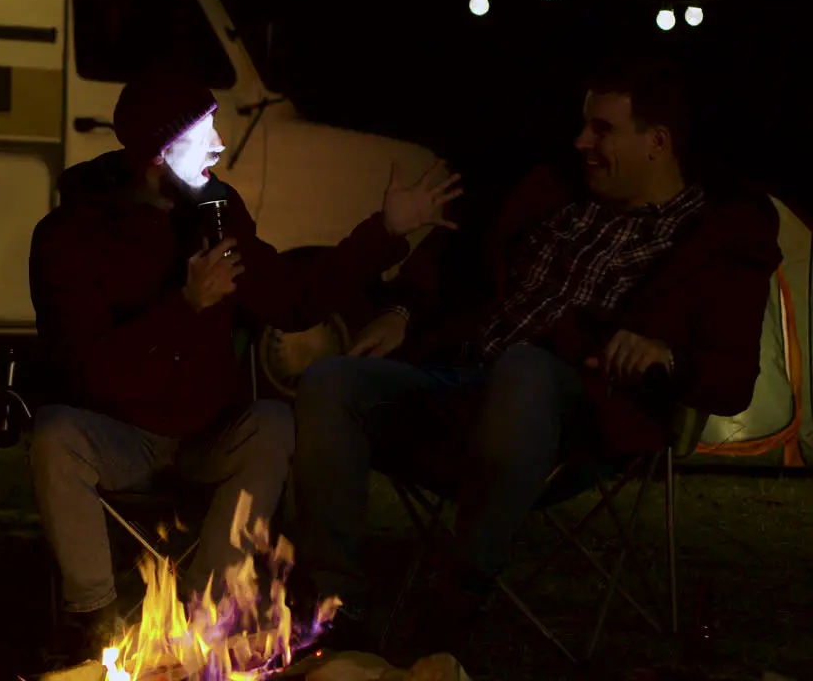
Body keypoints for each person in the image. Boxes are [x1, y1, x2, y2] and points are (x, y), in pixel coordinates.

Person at [292, 58, 782, 657]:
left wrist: (666, 356)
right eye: (583, 127)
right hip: (463, 384)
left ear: (657, 143)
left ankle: (456, 599)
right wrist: (403, 312)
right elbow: (456, 255)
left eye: (601, 129)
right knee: (330, 381)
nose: (581, 143)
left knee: (524, 367)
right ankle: (336, 606)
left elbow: (732, 381)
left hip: (582, 416)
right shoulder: (555, 198)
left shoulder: (715, 241)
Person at [28, 73, 462, 662]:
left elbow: (293, 298)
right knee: (54, 434)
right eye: (203, 132)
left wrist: (384, 231)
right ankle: (93, 621)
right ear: (159, 154)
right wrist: (184, 308)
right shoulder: (71, 236)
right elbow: (86, 370)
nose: (218, 146)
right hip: (119, 433)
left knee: (272, 422)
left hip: (207, 432)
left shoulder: (214, 211)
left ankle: (203, 615)